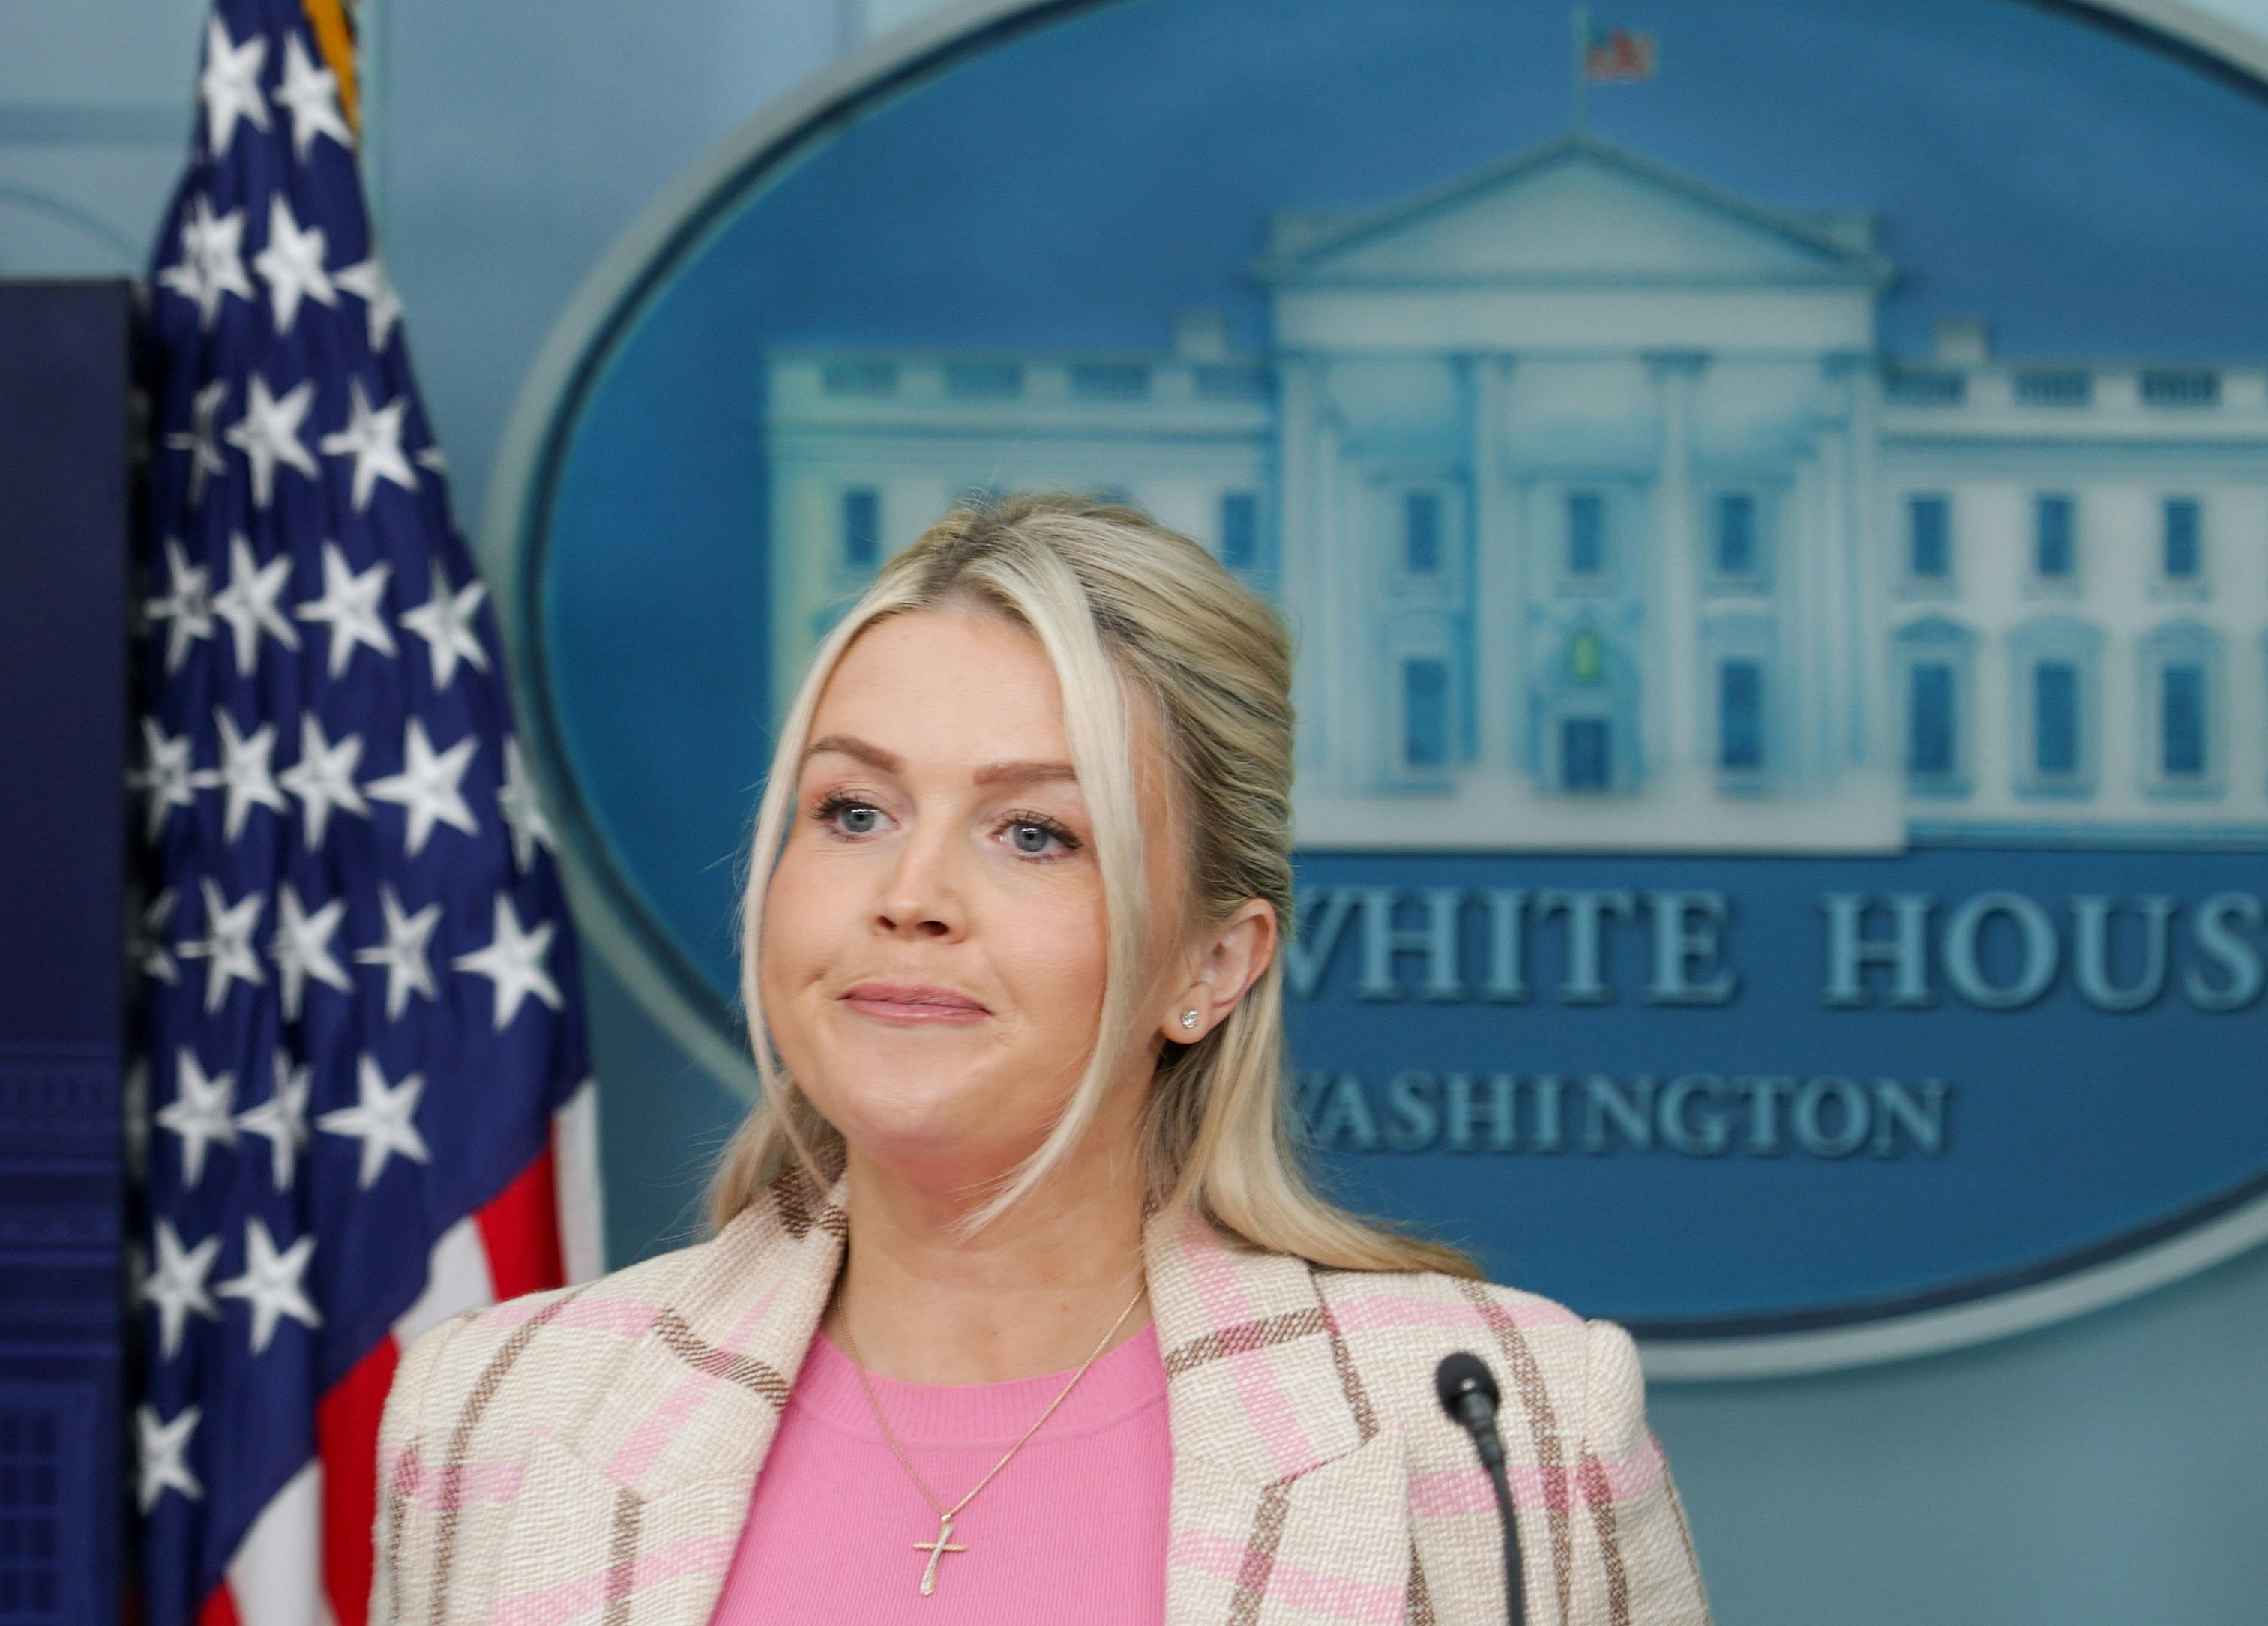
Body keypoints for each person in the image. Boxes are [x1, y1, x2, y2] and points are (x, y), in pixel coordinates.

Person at [371, 493, 1709, 1625]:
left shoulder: (1492, 1426)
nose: (910, 891)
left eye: (1033, 833)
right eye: (852, 809)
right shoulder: (495, 1409)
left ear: (1211, 965)